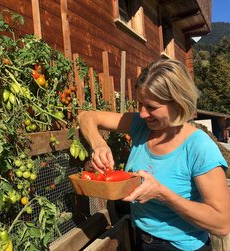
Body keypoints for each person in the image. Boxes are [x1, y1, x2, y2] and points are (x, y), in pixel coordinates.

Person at [78, 59, 230, 251]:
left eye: (151, 107)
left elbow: (222, 224)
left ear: (178, 103)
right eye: (139, 103)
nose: (142, 113)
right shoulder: (141, 126)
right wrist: (99, 144)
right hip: (139, 238)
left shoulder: (199, 147)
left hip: (180, 247)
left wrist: (162, 194)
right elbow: (86, 116)